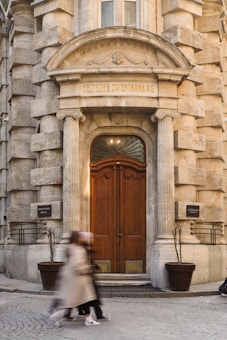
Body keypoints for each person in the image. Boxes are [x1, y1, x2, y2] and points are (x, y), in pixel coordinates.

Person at [49, 230, 100, 327]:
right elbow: (76, 264)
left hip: (75, 278)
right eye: (80, 237)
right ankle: (57, 316)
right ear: (77, 238)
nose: (83, 238)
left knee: (78, 300)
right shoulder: (78, 249)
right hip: (78, 278)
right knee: (80, 299)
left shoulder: (72, 247)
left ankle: (87, 319)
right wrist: (87, 269)